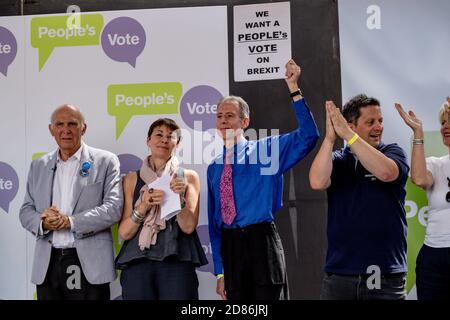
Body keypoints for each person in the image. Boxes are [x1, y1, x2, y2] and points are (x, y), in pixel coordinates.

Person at [207, 59, 319, 300]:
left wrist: (294, 89)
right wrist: (220, 273)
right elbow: (215, 225)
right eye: (219, 116)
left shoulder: (268, 151)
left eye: (230, 115)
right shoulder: (213, 167)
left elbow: (309, 135)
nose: (224, 121)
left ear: (244, 122)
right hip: (231, 247)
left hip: (262, 242)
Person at [309, 95, 409, 300]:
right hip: (339, 276)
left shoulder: (392, 151)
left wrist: (347, 135)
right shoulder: (337, 159)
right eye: (370, 122)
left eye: (380, 121)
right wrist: (330, 139)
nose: (378, 127)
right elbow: (317, 182)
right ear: (351, 126)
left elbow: (386, 173)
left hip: (384, 275)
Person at [19, 104, 123, 300]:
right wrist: (42, 222)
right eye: (59, 124)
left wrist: (70, 222)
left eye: (72, 124)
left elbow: (113, 208)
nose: (65, 130)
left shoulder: (106, 161)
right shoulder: (38, 165)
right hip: (47, 264)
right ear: (51, 130)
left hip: (88, 264)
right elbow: (26, 210)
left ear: (83, 128)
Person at [115, 118, 207, 300]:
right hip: (138, 261)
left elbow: (188, 227)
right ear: (148, 141)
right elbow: (124, 233)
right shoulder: (131, 179)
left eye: (170, 136)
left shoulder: (188, 177)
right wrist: (143, 206)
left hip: (177, 259)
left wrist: (178, 198)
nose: (164, 140)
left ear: (177, 143)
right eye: (159, 134)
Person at [395, 97, 450, 300]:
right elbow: (418, 178)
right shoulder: (435, 164)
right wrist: (418, 133)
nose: (445, 127)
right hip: (433, 258)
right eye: (443, 122)